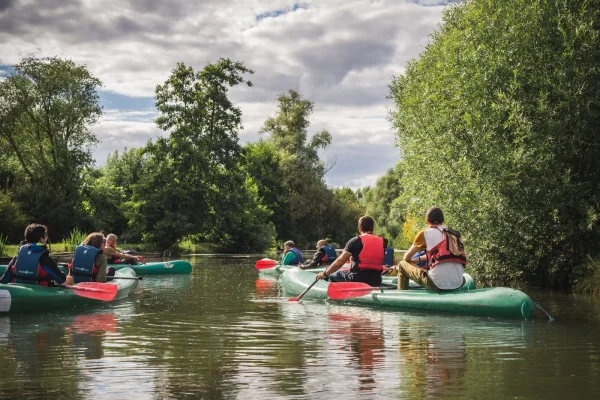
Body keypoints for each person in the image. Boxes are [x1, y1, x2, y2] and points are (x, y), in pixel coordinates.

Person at [395, 207, 466, 291]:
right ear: (443, 220)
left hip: (436, 284)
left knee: (402, 264)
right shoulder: (456, 235)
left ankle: (402, 295)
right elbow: (446, 255)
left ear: (427, 221)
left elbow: (406, 258)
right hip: (459, 283)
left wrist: (412, 262)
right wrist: (419, 259)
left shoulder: (424, 233)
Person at [316, 216, 384, 287]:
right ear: (373, 228)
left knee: (334, 275)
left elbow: (339, 262)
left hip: (358, 279)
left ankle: (334, 293)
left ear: (359, 228)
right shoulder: (382, 242)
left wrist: (324, 274)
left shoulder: (355, 241)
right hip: (376, 280)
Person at [0, 223, 70, 286]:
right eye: (45, 237)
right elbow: (63, 281)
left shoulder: (16, 259)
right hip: (40, 298)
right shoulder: (45, 260)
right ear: (40, 239)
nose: (46, 240)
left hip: (19, 297)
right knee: (69, 279)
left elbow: (3, 281)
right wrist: (70, 278)